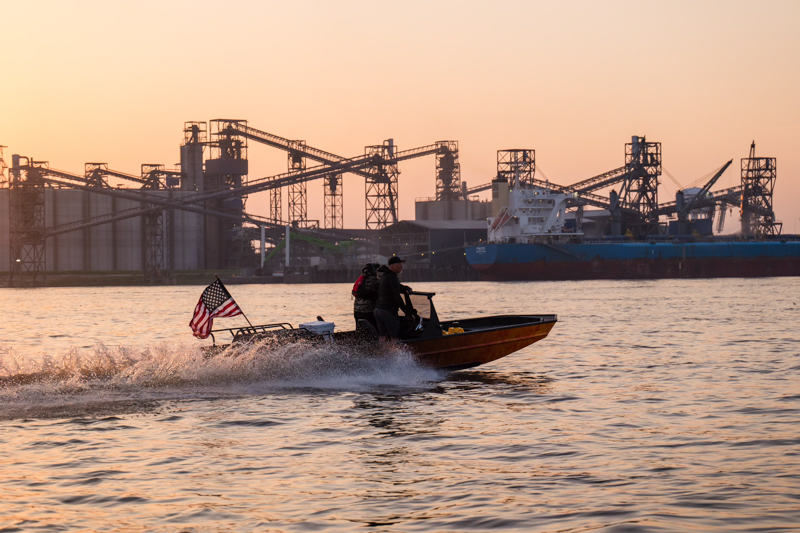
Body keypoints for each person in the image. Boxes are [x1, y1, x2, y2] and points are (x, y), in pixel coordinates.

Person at [374, 256, 415, 340]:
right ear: (392, 266)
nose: (401, 266)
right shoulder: (392, 277)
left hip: (378, 310)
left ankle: (382, 352)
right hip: (387, 311)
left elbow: (395, 286)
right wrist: (408, 313)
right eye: (399, 264)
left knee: (383, 336)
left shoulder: (385, 276)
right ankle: (395, 353)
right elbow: (397, 298)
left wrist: (405, 288)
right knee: (394, 338)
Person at [353, 262, 380, 332]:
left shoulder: (362, 280)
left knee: (360, 331)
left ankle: (359, 341)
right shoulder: (374, 281)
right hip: (368, 311)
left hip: (357, 311)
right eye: (377, 270)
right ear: (374, 271)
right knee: (373, 330)